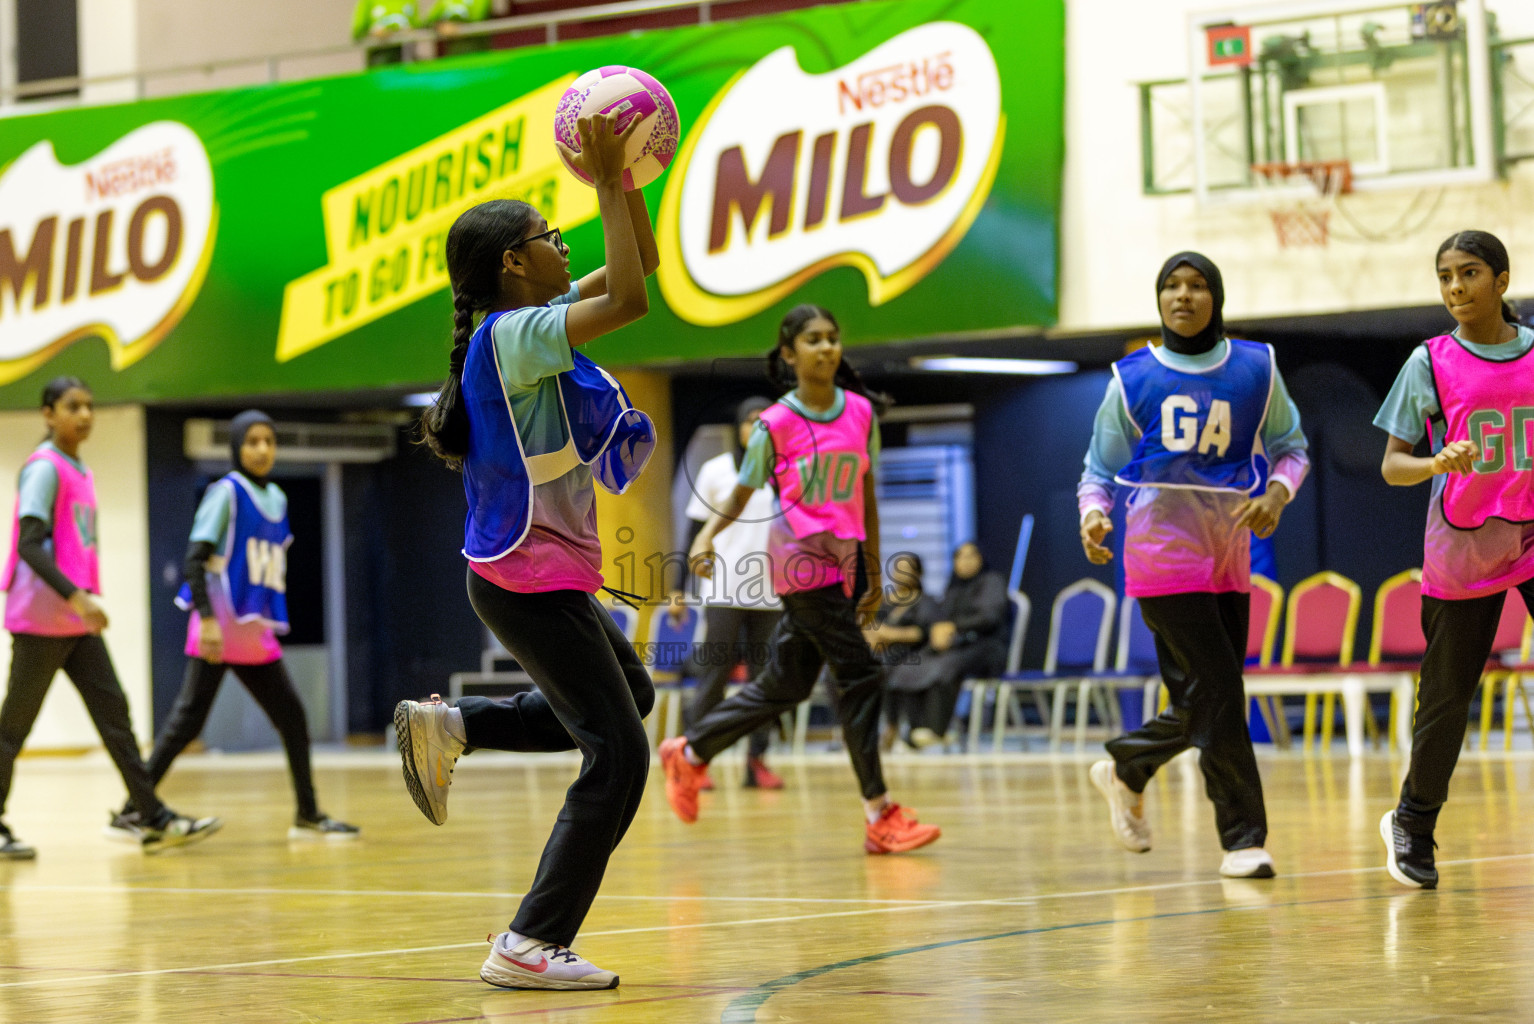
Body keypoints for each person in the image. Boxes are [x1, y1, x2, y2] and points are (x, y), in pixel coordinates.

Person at [394, 111, 658, 990]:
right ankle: (528, 943)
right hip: (526, 578)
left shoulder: (526, 321)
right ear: (513, 260)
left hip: (533, 576)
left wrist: (625, 178)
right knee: (618, 754)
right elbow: (628, 301)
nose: (562, 241)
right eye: (550, 235)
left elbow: (638, 270)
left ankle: (456, 726)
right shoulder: (516, 337)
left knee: (635, 696)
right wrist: (611, 179)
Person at [660, 304, 942, 856]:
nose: (826, 348)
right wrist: (705, 536)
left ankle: (690, 752)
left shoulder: (860, 413)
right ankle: (879, 813)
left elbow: (866, 495)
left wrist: (873, 572)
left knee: (784, 684)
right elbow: (743, 490)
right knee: (860, 676)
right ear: (789, 354)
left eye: (833, 338)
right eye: (813, 340)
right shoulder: (777, 422)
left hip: (842, 562)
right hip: (797, 563)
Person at [1078, 252, 1309, 880]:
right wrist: (1093, 514)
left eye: (1197, 285)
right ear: (1158, 300)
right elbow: (1098, 469)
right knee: (1221, 694)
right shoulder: (1131, 378)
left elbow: (1292, 450)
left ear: (1217, 297)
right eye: (1171, 286)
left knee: (1205, 695)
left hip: (1230, 554)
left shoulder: (1255, 367)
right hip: (1159, 550)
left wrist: (1279, 494)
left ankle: (1129, 764)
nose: (1183, 295)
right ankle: (1243, 841)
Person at [0, 378, 222, 858]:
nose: (84, 415)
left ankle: (152, 817)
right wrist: (78, 598)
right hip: (42, 620)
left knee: (116, 719)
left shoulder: (79, 469)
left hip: (74, 623)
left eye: (89, 405)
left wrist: (79, 606)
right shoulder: (44, 469)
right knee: (13, 729)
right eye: (72, 406)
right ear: (47, 413)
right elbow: (29, 545)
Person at [113, 411, 358, 841]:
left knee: (293, 720)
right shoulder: (225, 493)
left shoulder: (278, 499)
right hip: (219, 628)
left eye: (269, 440)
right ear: (237, 448)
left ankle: (308, 814)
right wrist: (206, 620)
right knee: (184, 725)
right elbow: (194, 559)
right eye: (252, 441)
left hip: (254, 633)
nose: (262, 449)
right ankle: (132, 810)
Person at [1374, 230, 1531, 890]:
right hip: (1464, 543)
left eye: (1469, 273)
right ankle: (1413, 821)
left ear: (1501, 279)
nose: (1456, 287)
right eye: (1445, 276)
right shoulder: (1429, 362)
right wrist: (1434, 461)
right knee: (1446, 698)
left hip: (1530, 528)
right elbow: (1391, 466)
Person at [675, 396, 783, 790]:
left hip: (771, 592)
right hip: (721, 588)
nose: (756, 426)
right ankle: (695, 759)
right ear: (737, 427)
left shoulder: (785, 472)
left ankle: (757, 760)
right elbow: (692, 533)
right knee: (713, 676)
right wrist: (677, 591)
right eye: (749, 420)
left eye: (764, 420)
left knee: (764, 682)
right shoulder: (715, 470)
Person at [885, 542, 1007, 749]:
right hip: (955, 646)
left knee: (945, 667)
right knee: (910, 666)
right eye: (960, 556)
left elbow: (989, 617)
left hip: (985, 646)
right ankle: (916, 729)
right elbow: (940, 619)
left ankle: (937, 728)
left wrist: (953, 627)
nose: (966, 561)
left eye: (971, 556)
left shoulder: (992, 581)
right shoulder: (953, 588)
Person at [865, 552, 940, 749]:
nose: (902, 574)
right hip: (879, 651)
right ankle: (854, 727)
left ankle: (892, 725)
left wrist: (888, 634)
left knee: (887, 667)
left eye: (908, 569)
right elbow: (869, 627)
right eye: (898, 569)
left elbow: (921, 633)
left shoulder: (926, 602)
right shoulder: (883, 602)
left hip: (913, 653)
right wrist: (876, 635)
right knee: (838, 673)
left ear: (919, 573)